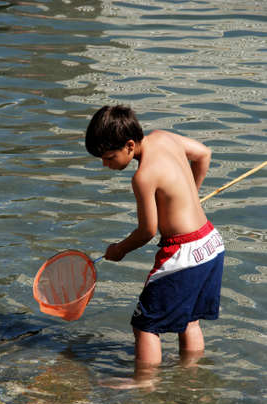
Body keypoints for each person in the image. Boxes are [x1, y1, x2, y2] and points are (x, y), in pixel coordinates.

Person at [85, 105, 224, 378]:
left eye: (110, 157)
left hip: (182, 253)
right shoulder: (164, 136)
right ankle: (190, 375)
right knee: (189, 321)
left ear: (129, 145)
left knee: (145, 325)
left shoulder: (143, 176)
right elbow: (203, 154)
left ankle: (145, 386)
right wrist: (191, 196)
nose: (106, 164)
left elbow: (147, 231)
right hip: (211, 243)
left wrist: (119, 249)